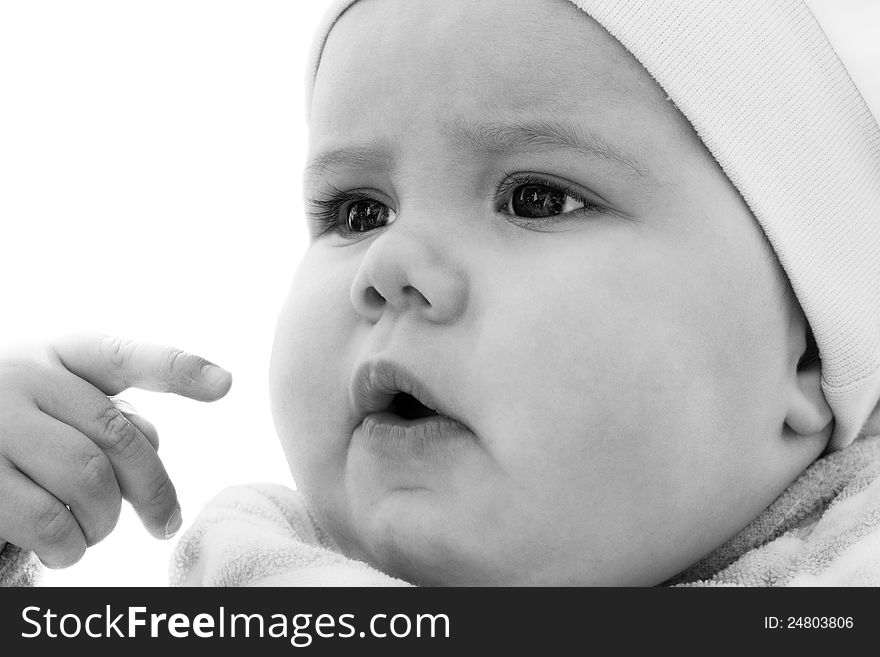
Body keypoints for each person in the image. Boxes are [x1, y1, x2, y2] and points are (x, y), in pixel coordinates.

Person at [2, 0, 879, 587]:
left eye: (538, 197)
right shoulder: (250, 578)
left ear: (805, 350)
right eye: (356, 210)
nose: (391, 263)